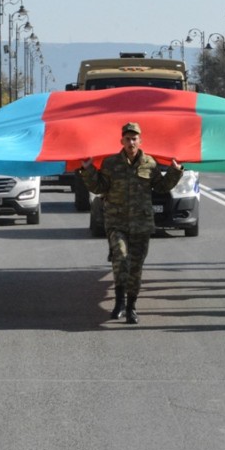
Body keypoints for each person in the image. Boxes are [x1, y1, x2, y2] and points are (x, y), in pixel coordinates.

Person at [79, 122, 184, 324]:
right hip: (116, 221)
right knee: (121, 257)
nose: (131, 142)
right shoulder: (110, 163)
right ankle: (119, 302)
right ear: (122, 141)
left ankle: (131, 307)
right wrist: (88, 170)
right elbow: (99, 186)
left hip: (141, 224)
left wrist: (174, 171)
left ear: (140, 141)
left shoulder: (150, 164)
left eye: (134, 138)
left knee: (135, 266)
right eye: (127, 139)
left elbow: (161, 187)